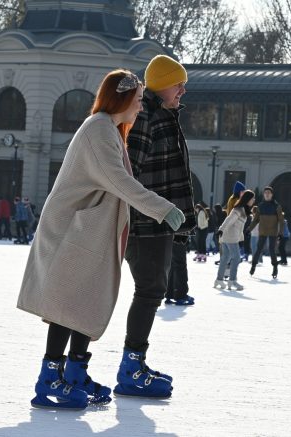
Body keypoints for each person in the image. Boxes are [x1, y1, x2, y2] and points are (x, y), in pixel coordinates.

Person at [17, 69, 183, 410]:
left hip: (89, 230)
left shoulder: (111, 129)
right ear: (122, 100)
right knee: (67, 303)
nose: (140, 107)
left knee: (86, 301)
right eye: (138, 100)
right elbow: (120, 181)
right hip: (72, 229)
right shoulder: (99, 129)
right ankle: (49, 377)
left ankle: (75, 371)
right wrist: (163, 209)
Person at [120, 55, 196, 398]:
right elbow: (128, 175)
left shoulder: (162, 115)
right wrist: (152, 213)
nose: (183, 90)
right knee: (150, 290)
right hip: (145, 224)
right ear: (162, 84)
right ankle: (131, 366)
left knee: (153, 290)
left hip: (159, 222)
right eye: (178, 84)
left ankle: (134, 362)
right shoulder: (146, 117)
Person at [215, 190, 254, 291]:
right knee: (236, 258)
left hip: (228, 236)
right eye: (252, 198)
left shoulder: (243, 209)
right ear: (247, 199)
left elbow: (238, 227)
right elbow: (229, 219)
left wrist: (241, 239)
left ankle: (219, 279)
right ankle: (232, 281)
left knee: (225, 258)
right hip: (230, 237)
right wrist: (221, 229)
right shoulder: (238, 209)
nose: (253, 200)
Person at [249, 186, 284, 279]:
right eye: (265, 193)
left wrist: (280, 233)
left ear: (272, 194)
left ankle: (275, 268)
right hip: (263, 231)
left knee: (271, 249)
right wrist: (249, 229)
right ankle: (253, 266)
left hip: (273, 231)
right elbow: (255, 220)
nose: (267, 194)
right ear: (264, 195)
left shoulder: (277, 206)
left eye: (269, 193)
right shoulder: (260, 206)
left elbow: (281, 221)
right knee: (259, 249)